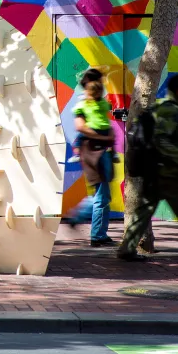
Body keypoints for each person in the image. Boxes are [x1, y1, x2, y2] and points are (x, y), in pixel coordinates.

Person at [118, 74, 178, 261]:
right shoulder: (172, 111)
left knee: (142, 213)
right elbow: (161, 140)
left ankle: (126, 249)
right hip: (168, 174)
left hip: (152, 172)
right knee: (143, 212)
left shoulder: (157, 107)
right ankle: (126, 250)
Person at [69, 80, 117, 246]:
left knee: (102, 194)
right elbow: (81, 127)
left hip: (100, 151)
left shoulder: (97, 106)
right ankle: (95, 233)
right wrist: (104, 137)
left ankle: (98, 233)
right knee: (101, 196)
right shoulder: (84, 106)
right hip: (95, 152)